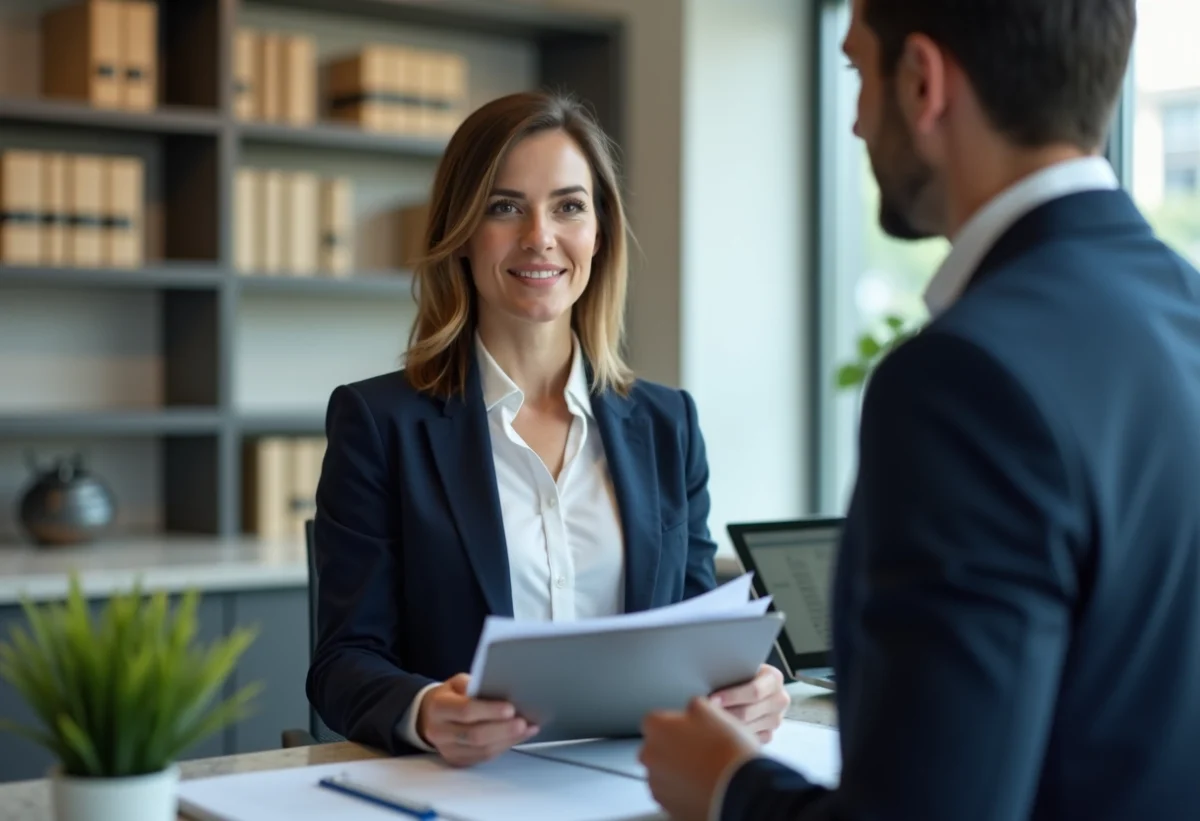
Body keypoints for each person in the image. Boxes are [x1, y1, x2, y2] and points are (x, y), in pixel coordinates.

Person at [638, 0, 1200, 819]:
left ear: (922, 82)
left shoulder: (964, 381)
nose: (859, 122)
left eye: (857, 72)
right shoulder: (1185, 308)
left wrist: (729, 785)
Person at [306, 90, 790, 766]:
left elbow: (698, 623)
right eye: (505, 207)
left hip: (638, 788)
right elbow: (343, 661)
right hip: (466, 791)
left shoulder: (666, 424)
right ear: (463, 233)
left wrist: (758, 680)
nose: (540, 236)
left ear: (600, 232)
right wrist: (426, 712)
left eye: (568, 206)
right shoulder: (381, 423)